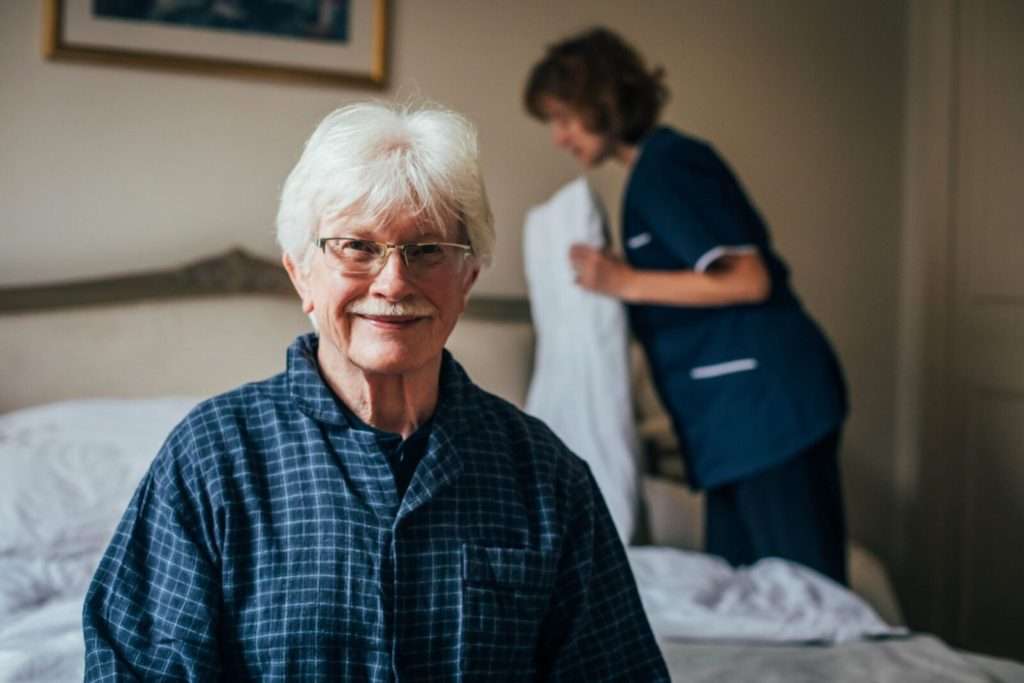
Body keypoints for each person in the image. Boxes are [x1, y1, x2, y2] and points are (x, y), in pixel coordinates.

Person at [82, 102, 669, 680]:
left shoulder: (547, 475)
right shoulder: (212, 458)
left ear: (468, 278)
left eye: (428, 250)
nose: (393, 282)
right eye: (358, 247)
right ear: (301, 274)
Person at [524, 28, 850, 585]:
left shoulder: (670, 167)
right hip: (729, 429)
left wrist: (623, 280)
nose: (559, 137)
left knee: (808, 599)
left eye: (563, 117)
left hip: (768, 412)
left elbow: (748, 280)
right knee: (746, 603)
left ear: (599, 100)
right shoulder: (648, 180)